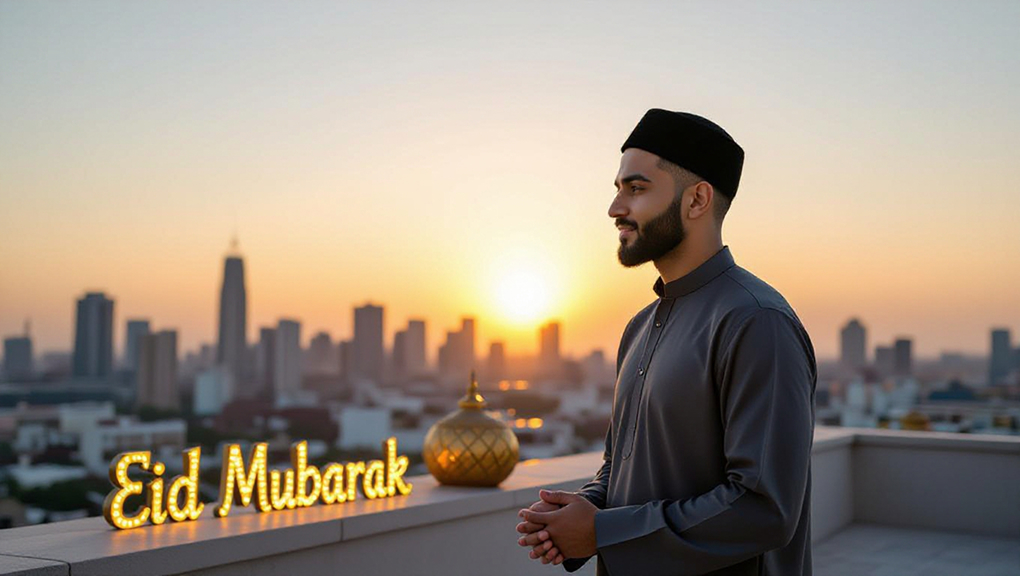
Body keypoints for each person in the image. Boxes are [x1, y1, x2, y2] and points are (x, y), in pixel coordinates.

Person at [515, 109, 817, 575]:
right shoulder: (640, 328)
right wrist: (581, 510)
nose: (616, 209)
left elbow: (764, 508)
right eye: (617, 190)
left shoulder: (757, 323)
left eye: (635, 189)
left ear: (696, 200)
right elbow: (622, 467)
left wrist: (603, 532)